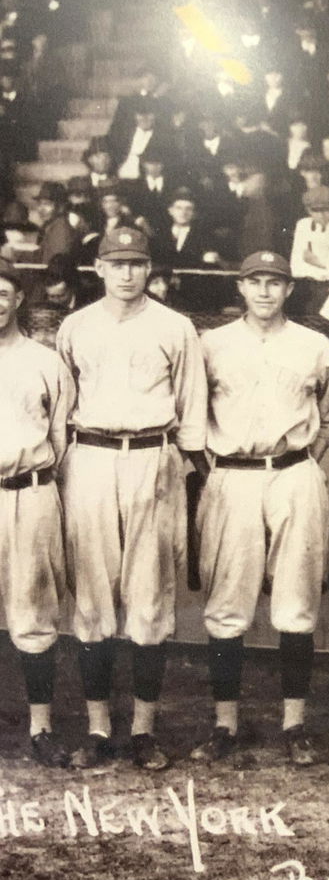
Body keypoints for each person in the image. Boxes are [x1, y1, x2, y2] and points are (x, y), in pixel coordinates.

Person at [55, 226, 207, 770]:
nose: (126, 273)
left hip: (153, 456)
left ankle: (143, 729)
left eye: (137, 264)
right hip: (91, 456)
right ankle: (98, 729)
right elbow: (62, 405)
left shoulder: (176, 326)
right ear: (98, 269)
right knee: (92, 596)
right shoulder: (75, 327)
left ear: (150, 270)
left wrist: (183, 471)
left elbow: (192, 410)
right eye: (116, 263)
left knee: (149, 598)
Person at [189, 251, 329, 766]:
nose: (265, 291)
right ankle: (225, 724)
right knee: (227, 604)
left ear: (289, 289)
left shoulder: (315, 345)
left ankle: (294, 724)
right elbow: (193, 413)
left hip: (294, 472)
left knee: (296, 603)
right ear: (241, 286)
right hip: (232, 474)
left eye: (275, 282)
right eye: (255, 281)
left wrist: (302, 461)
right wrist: (218, 471)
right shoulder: (212, 345)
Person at [0, 256, 75, 766]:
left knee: (33, 612)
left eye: (2, 292)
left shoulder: (44, 360)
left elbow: (61, 437)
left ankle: (41, 726)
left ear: (18, 299)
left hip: (29, 491)